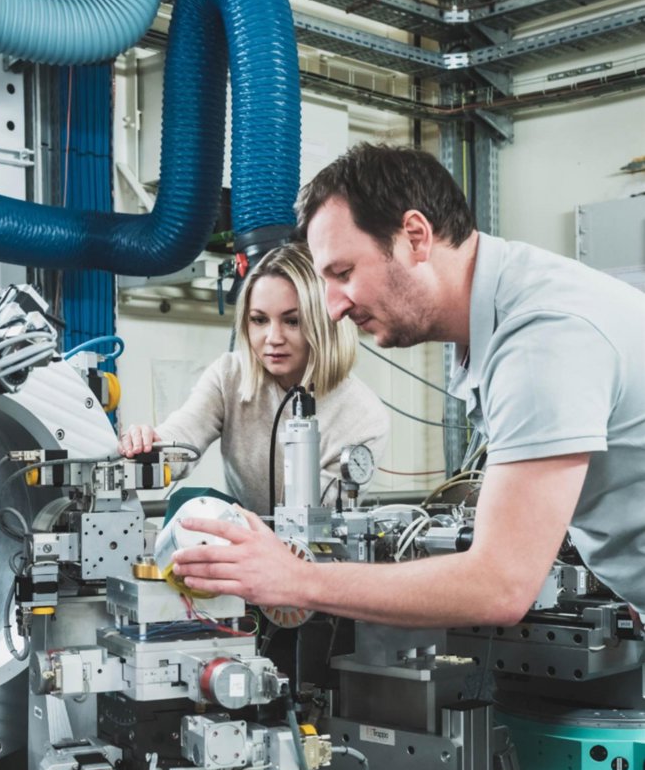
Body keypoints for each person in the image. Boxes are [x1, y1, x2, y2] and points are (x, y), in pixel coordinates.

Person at [169, 143, 645, 628]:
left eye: (344, 273)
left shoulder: (540, 337)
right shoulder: (510, 311)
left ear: (415, 236)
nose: (333, 309)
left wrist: (294, 578)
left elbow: (499, 586)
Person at [119, 241, 389, 514]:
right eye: (259, 320)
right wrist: (150, 447)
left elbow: (316, 522)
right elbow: (183, 438)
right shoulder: (229, 376)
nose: (273, 339)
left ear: (324, 323)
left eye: (292, 321)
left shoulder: (363, 417)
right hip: (241, 541)